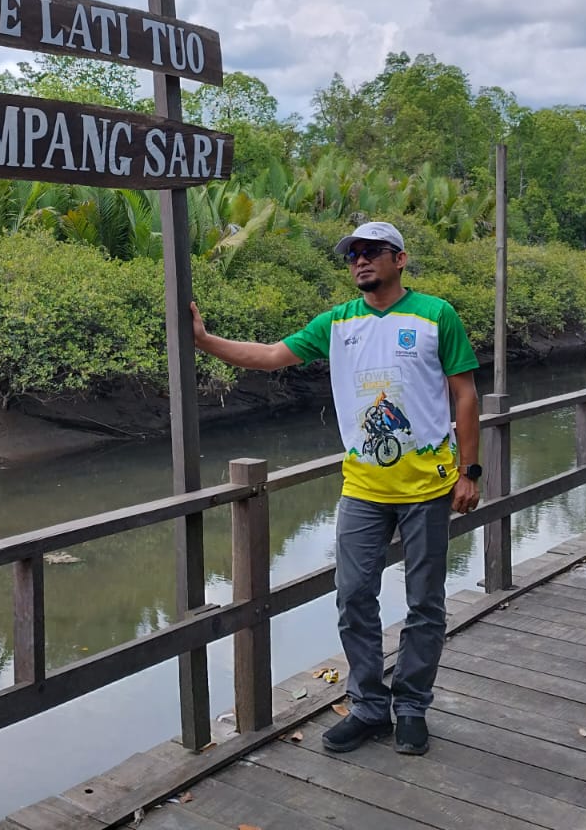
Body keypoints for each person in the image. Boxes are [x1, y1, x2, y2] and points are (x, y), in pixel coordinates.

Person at [190, 220, 480, 757]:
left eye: (372, 253)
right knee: (353, 598)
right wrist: (205, 341)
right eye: (353, 256)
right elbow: (272, 354)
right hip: (364, 488)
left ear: (400, 259)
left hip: (428, 488)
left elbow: (464, 396)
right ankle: (369, 706)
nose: (360, 262)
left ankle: (412, 705)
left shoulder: (437, 315)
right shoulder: (338, 322)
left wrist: (470, 471)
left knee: (425, 604)